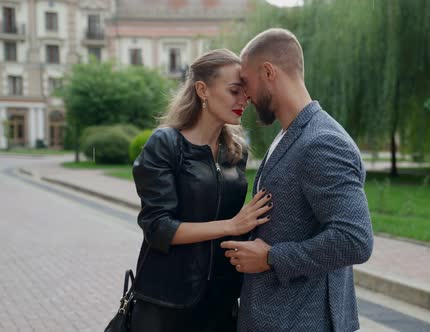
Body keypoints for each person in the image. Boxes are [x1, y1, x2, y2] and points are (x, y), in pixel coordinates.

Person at [220, 28, 374, 331]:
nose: (246, 96)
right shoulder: (291, 133)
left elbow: (355, 239)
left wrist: (272, 258)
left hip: (300, 322)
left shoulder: (322, 141)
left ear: (268, 72)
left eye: (247, 83)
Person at [130, 48, 273, 332]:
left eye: (245, 92)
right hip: (167, 304)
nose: (244, 100)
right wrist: (231, 225)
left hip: (222, 302)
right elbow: (158, 227)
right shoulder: (166, 144)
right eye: (234, 90)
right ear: (202, 90)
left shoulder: (236, 151)